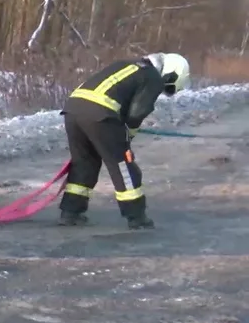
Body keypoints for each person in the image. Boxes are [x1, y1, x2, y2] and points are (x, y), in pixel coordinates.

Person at [58, 52, 191, 229]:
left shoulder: (128, 64)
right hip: (100, 115)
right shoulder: (152, 76)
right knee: (123, 165)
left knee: (84, 163)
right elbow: (137, 112)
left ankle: (70, 212)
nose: (164, 89)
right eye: (168, 86)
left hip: (73, 111)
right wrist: (128, 136)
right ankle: (136, 216)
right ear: (171, 73)